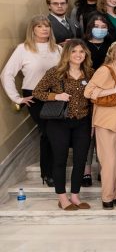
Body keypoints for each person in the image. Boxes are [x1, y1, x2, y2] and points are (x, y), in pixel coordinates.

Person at [32, 39, 93, 210]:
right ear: (67, 54)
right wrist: (56, 96)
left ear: (85, 54)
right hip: (59, 123)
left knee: (81, 160)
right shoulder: (56, 73)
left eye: (81, 51)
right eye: (74, 51)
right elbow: (37, 92)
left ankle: (75, 196)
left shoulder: (90, 73)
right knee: (60, 160)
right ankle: (62, 198)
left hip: (82, 122)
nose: (78, 55)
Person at [1, 15, 62, 188]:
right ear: (32, 29)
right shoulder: (23, 49)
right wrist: (17, 98)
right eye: (40, 26)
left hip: (55, 96)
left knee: (55, 133)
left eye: (47, 26)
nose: (44, 29)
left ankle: (53, 171)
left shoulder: (57, 49)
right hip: (34, 96)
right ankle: (48, 173)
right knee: (48, 132)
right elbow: (6, 74)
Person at [84, 41, 116, 210]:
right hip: (107, 118)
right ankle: (107, 196)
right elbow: (88, 92)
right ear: (112, 53)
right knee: (109, 160)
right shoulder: (105, 70)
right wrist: (113, 90)